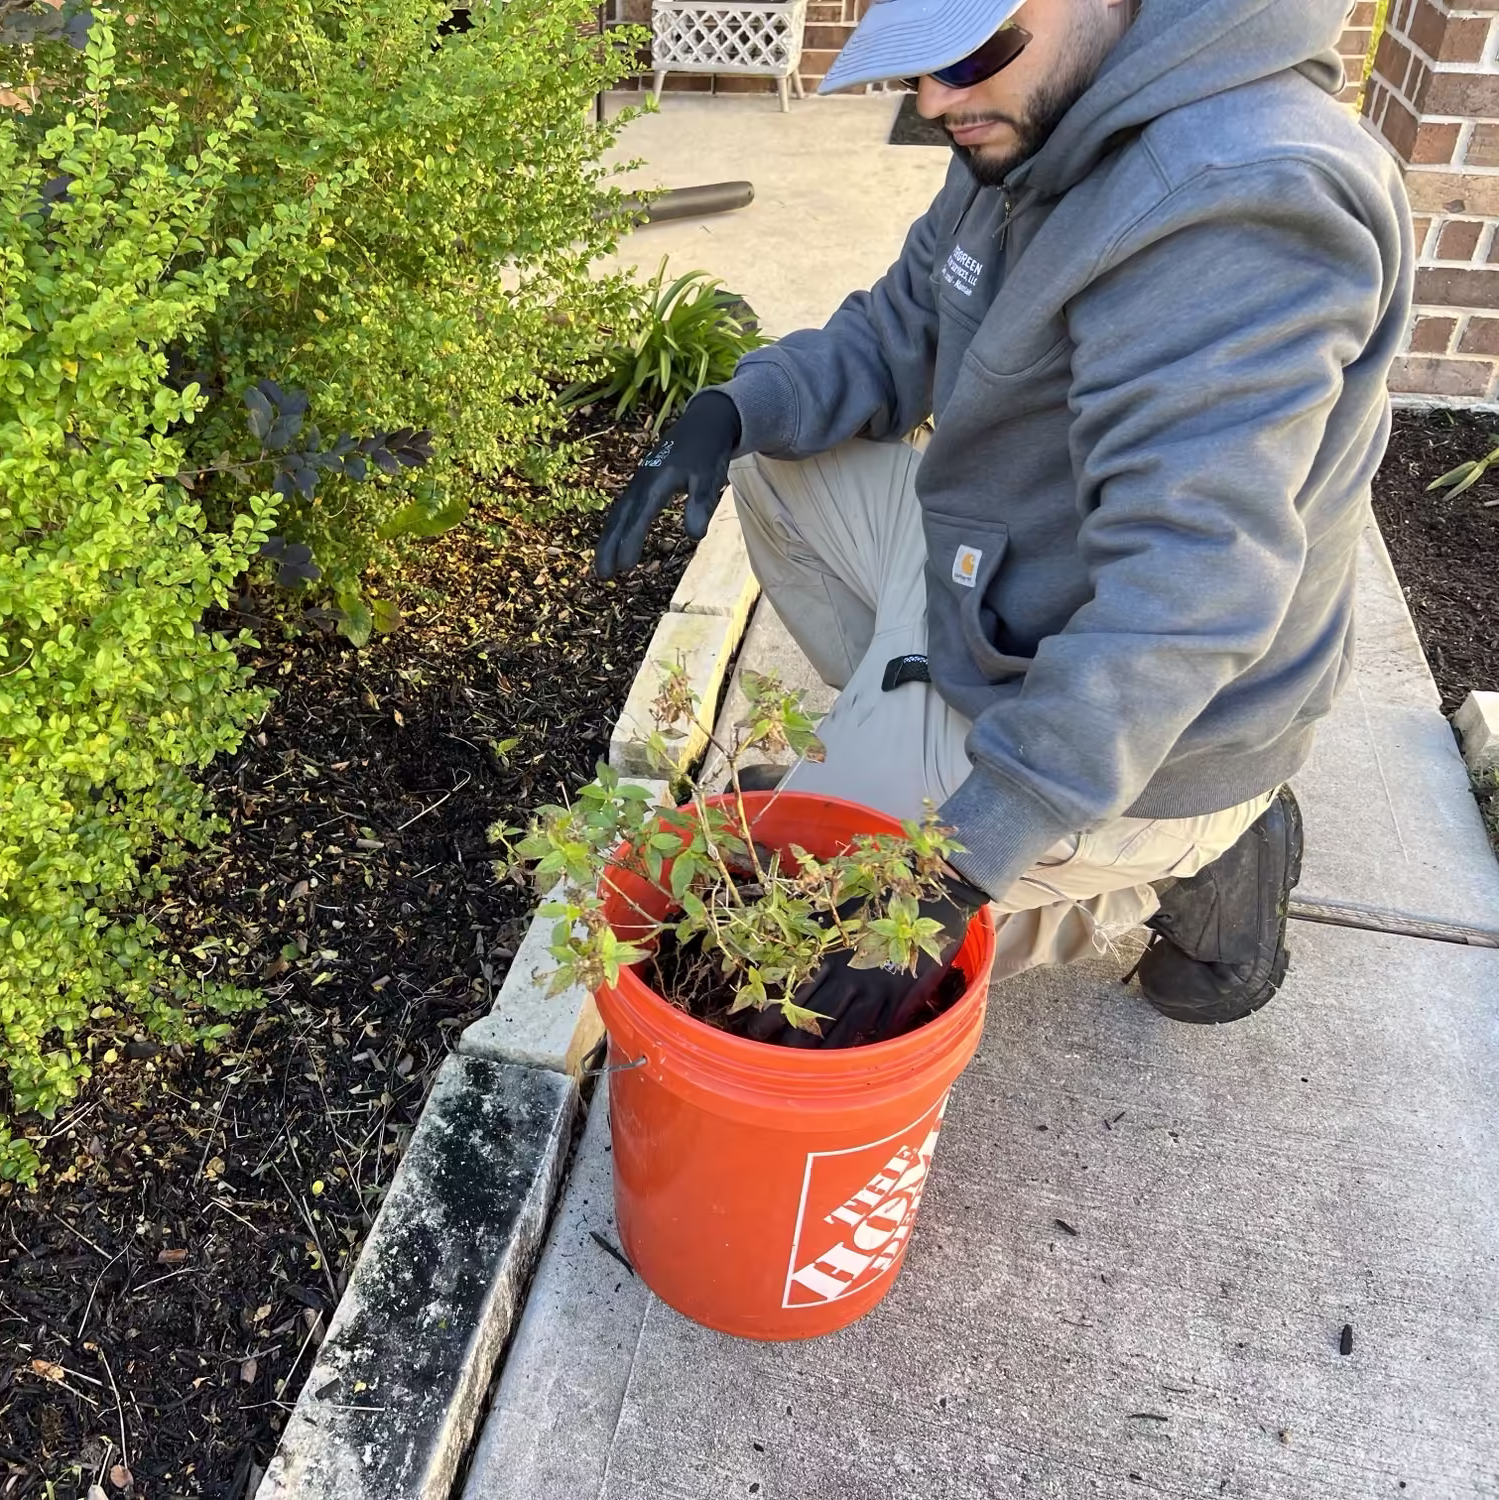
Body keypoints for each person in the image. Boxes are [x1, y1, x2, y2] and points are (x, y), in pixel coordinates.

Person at [595, 0, 1412, 1031]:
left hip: (1172, 718)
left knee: (796, 962)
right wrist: (732, 410)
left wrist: (954, 871)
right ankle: (906, 751)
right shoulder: (1027, 115)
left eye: (971, 47)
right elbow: (901, 329)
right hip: (1006, 595)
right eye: (915, 64)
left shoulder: (1241, 201)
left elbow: (1186, 596)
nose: (936, 101)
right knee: (776, 462)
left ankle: (1176, 855)